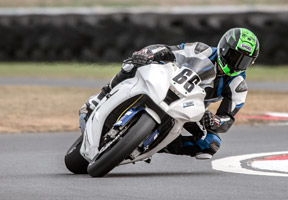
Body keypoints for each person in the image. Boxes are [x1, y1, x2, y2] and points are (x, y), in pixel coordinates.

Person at [79, 27, 259, 160]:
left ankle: (154, 145)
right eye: (234, 56)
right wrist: (148, 53)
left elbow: (227, 119)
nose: (236, 63)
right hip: (167, 82)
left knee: (211, 144)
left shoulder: (238, 86)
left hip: (191, 107)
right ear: (223, 48)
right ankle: (103, 95)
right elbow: (168, 50)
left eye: (243, 61)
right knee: (133, 63)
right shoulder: (200, 50)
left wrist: (215, 121)